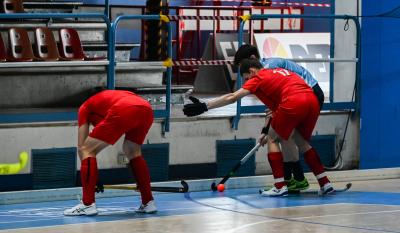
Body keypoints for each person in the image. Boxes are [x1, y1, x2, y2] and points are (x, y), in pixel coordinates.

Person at [183, 58, 335, 196]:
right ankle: (325, 183)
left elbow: (232, 97)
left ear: (252, 71)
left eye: (246, 78)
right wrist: (265, 131)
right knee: (301, 142)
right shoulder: (280, 73)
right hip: (312, 101)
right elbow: (274, 111)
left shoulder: (258, 77)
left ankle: (280, 186)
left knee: (272, 140)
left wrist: (205, 106)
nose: (246, 82)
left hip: (293, 101)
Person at [233, 44, 326, 192]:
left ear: (251, 59)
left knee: (285, 136)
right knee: (286, 136)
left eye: (242, 66)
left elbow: (274, 106)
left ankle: (289, 181)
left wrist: (267, 131)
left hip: (306, 93)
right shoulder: (264, 67)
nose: (242, 72)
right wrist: (266, 129)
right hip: (303, 96)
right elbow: (273, 105)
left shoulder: (267, 69)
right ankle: (294, 180)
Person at [64, 89, 157, 216]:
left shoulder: (84, 108)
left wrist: (92, 181)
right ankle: (148, 202)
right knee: (132, 150)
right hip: (146, 108)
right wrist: (92, 179)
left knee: (87, 149)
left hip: (124, 108)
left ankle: (87, 204)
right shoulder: (106, 100)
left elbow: (82, 147)